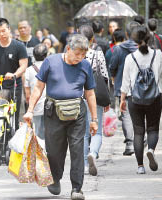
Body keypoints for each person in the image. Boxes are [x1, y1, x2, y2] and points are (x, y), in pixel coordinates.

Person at [23, 34, 98, 200]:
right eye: (77, 53)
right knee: (55, 150)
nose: (80, 57)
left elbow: (90, 93)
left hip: (77, 113)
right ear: (68, 48)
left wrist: (94, 119)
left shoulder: (85, 65)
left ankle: (77, 189)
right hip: (53, 112)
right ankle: (55, 179)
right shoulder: (51, 62)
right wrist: (30, 110)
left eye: (83, 54)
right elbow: (38, 88)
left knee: (78, 150)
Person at [120, 25, 162, 174]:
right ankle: (150, 149)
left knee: (138, 132)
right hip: (155, 97)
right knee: (153, 128)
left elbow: (125, 82)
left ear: (134, 41)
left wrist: (122, 100)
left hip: (134, 98)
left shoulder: (130, 58)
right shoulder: (158, 54)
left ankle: (140, 167)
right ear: (149, 37)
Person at [78, 25, 109, 176]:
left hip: (78, 96)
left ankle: (84, 164)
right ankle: (94, 154)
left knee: (84, 134)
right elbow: (104, 76)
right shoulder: (97, 53)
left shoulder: (74, 54)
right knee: (96, 132)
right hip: (95, 95)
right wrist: (107, 99)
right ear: (92, 39)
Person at [110, 21, 139, 156]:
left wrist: (114, 78)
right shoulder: (143, 48)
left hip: (123, 87)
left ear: (126, 34)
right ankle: (142, 139)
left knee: (126, 115)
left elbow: (112, 67)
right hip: (142, 88)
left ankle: (129, 144)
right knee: (140, 114)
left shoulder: (118, 49)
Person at [24, 43, 48, 139]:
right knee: (49, 130)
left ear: (33, 56)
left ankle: (40, 151)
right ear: (46, 55)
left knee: (37, 132)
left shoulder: (29, 70)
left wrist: (30, 107)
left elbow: (27, 93)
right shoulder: (50, 67)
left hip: (36, 105)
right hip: (49, 106)